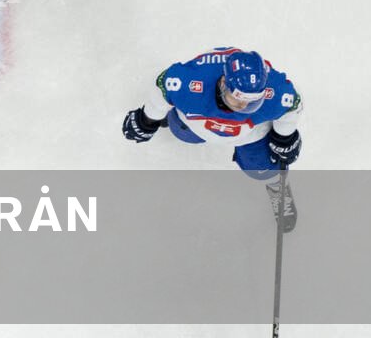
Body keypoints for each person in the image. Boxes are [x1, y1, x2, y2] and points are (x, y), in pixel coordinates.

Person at [122, 47, 301, 230]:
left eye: (252, 102)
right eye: (238, 99)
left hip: (250, 133)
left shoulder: (278, 93)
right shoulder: (189, 82)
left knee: (262, 168)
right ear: (223, 83)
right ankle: (174, 118)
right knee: (181, 131)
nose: (244, 106)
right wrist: (148, 119)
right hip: (198, 124)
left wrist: (284, 137)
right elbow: (164, 86)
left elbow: (292, 106)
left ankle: (277, 188)